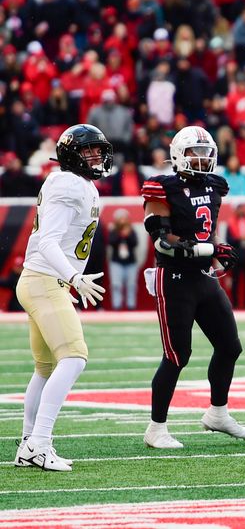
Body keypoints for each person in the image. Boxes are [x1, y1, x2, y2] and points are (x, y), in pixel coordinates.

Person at [141, 125, 245, 449]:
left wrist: (218, 247)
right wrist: (210, 250)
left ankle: (218, 414)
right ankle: (155, 428)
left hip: (203, 277)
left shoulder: (215, 186)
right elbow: (163, 241)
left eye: (206, 153)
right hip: (174, 278)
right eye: (194, 153)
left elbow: (207, 231)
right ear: (178, 154)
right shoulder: (163, 186)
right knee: (177, 355)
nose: (201, 160)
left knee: (230, 347)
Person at [14, 124, 112, 471]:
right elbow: (47, 241)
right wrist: (72, 277)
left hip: (38, 280)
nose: (96, 157)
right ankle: (40, 443)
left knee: (45, 368)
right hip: (45, 279)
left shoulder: (72, 182)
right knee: (74, 358)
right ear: (72, 155)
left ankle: (28, 443)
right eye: (88, 151)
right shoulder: (70, 184)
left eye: (99, 151)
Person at [225, 204, 245, 309]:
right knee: (235, 280)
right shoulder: (231, 222)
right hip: (236, 252)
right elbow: (228, 239)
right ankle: (235, 303)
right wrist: (239, 239)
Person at [107, 208, 139, 310]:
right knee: (116, 285)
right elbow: (111, 243)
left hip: (130, 262)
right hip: (117, 262)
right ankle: (117, 305)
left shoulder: (131, 230)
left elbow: (135, 243)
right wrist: (120, 235)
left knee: (131, 285)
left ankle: (131, 305)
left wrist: (128, 235)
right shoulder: (113, 230)